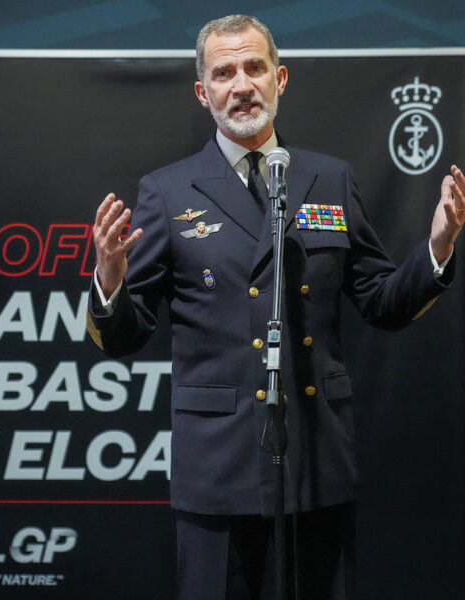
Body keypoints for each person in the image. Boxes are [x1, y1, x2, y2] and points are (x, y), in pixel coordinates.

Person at [86, 14, 465, 600]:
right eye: (224, 72)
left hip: (315, 455)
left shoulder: (328, 179)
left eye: (254, 67)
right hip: (219, 461)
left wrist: (435, 250)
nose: (242, 85)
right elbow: (126, 335)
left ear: (279, 77)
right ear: (202, 92)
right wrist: (110, 284)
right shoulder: (169, 191)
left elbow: (382, 301)